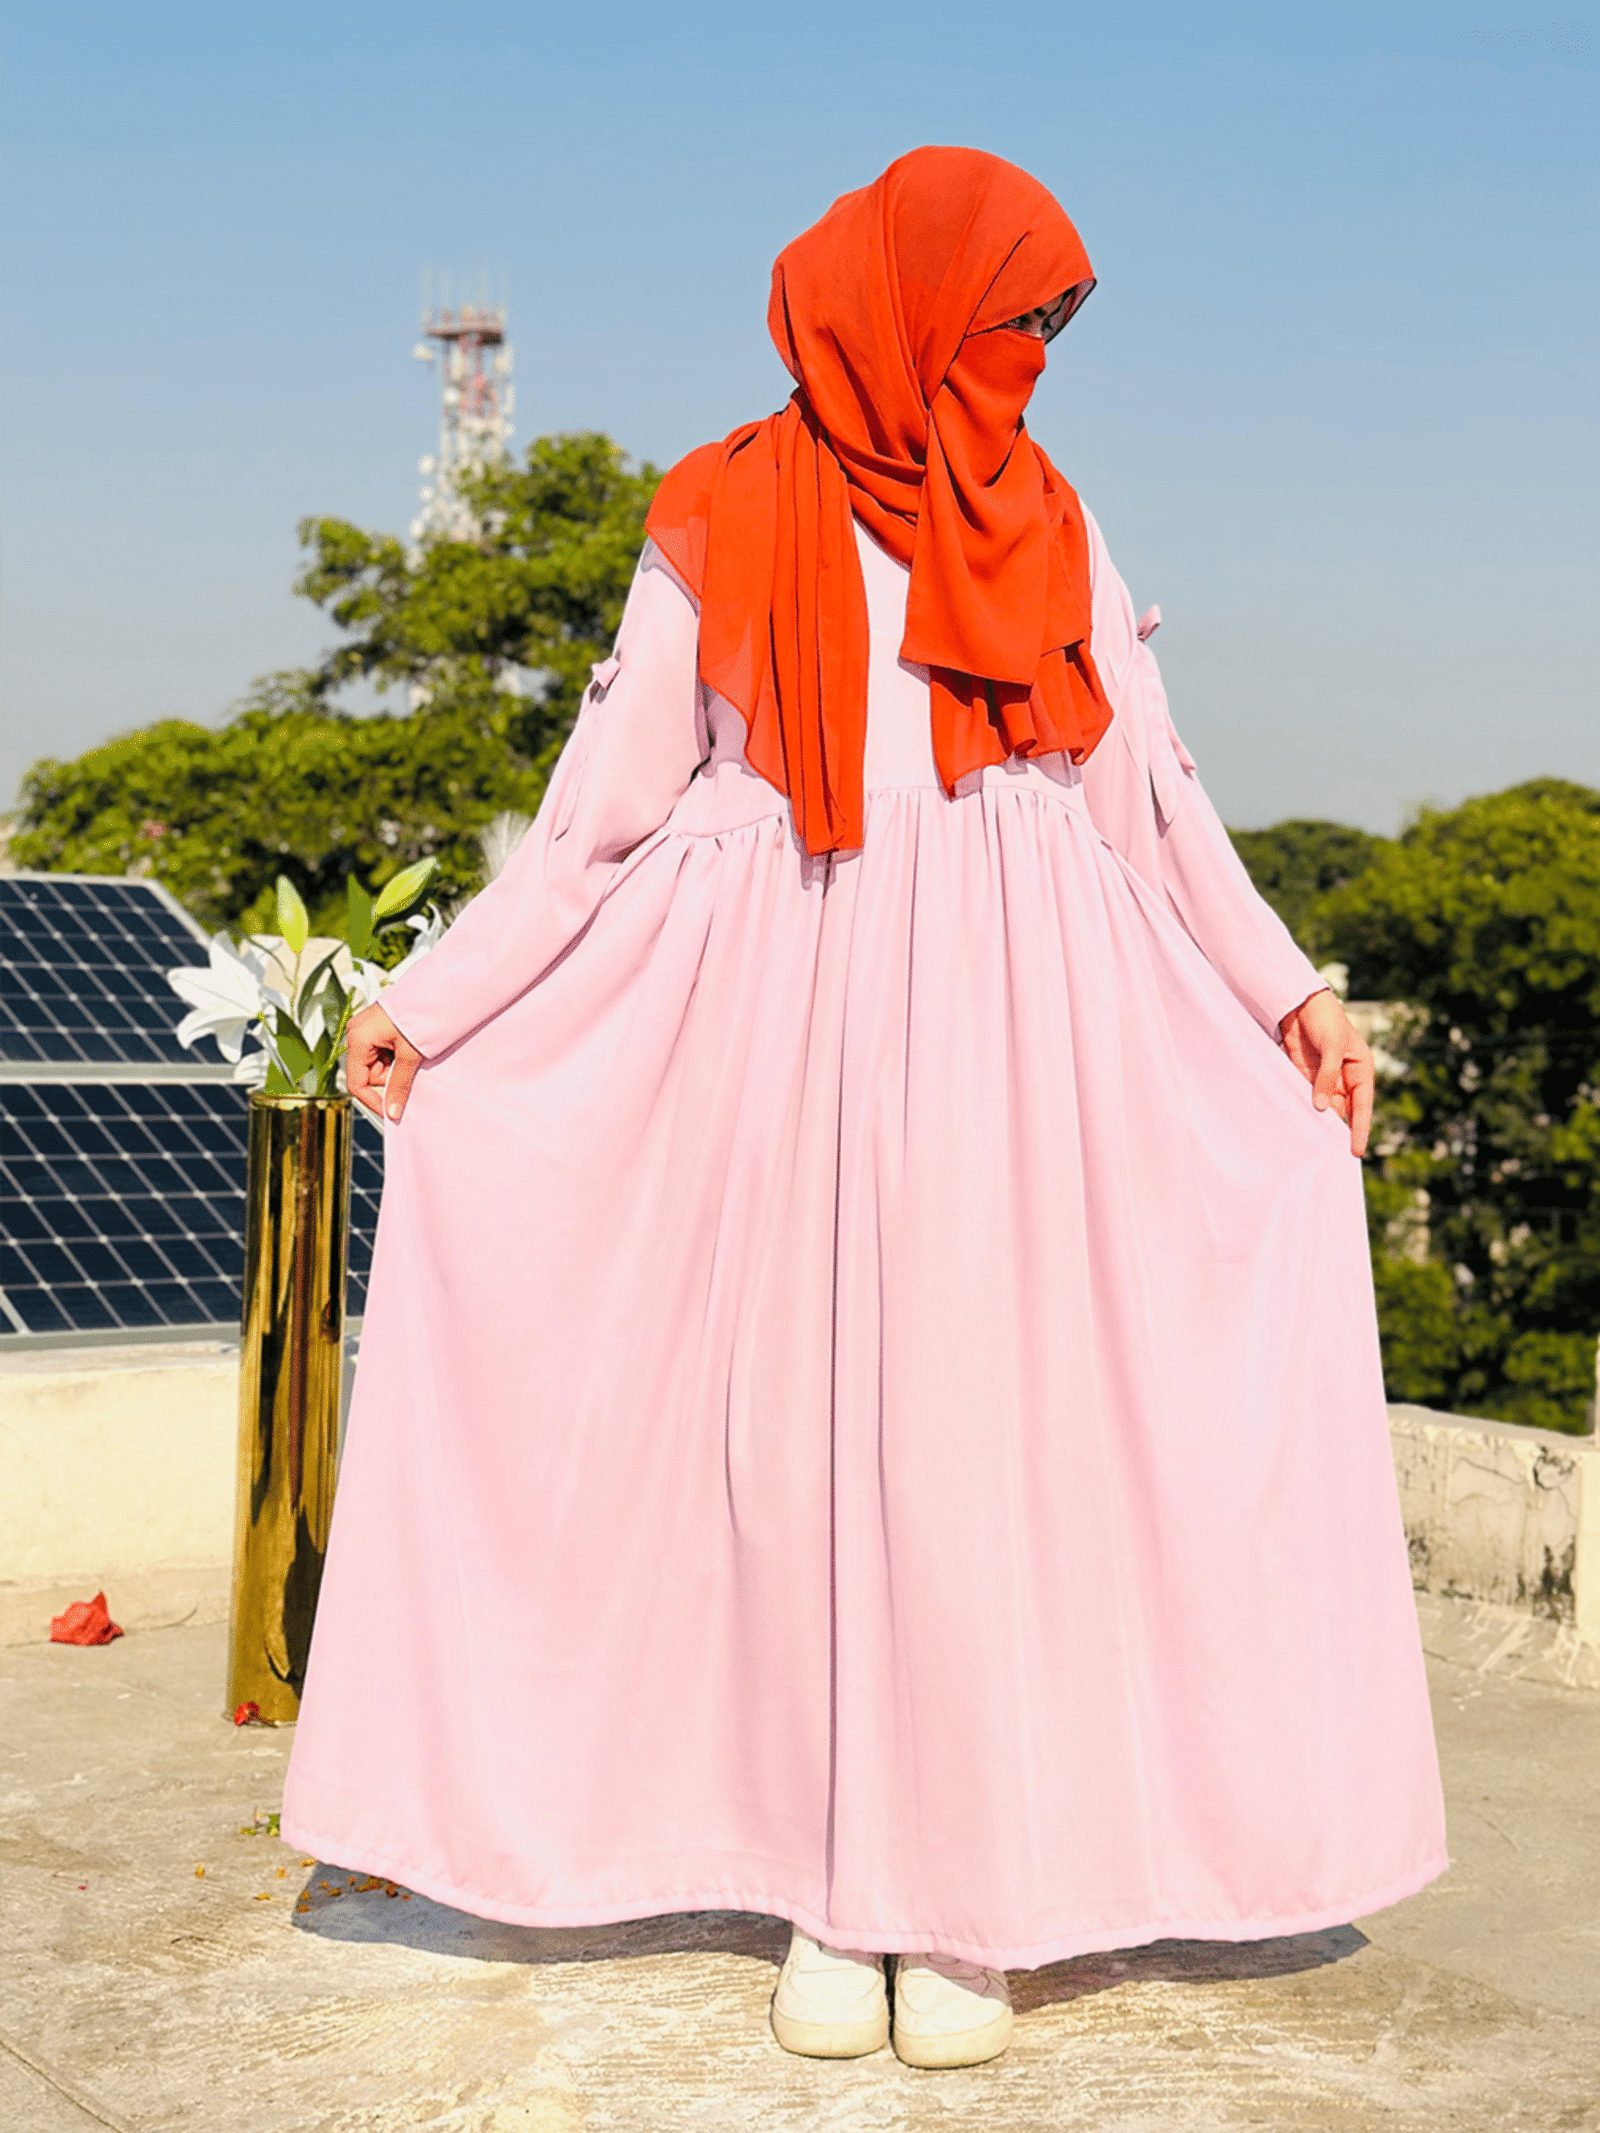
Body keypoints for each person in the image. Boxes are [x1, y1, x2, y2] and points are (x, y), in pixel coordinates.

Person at [281, 147, 1446, 2071]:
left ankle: (968, 1895)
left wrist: (1290, 993)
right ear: (904, 311)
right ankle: (833, 1886)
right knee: (800, 1448)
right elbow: (598, 814)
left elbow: (1153, 804)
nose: (1028, 360)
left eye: (1048, 327)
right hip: (783, 1028)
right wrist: (438, 1000)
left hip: (1022, 1046)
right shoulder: (724, 508)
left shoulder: (1055, 522)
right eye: (1006, 319)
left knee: (979, 1453)